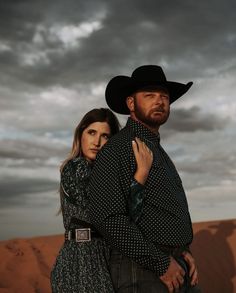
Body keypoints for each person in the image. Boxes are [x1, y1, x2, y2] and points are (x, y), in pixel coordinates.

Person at [89, 65, 201, 292]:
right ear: (131, 103)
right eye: (149, 95)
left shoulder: (157, 149)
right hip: (142, 269)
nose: (159, 101)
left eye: (164, 96)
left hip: (174, 264)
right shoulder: (117, 150)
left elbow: (163, 208)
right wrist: (160, 263)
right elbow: (108, 217)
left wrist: (183, 250)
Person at [50, 107, 153, 293]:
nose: (97, 141)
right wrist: (141, 176)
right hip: (81, 262)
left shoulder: (103, 173)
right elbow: (116, 210)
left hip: (104, 256)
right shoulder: (76, 168)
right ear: (81, 134)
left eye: (105, 136)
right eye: (91, 132)